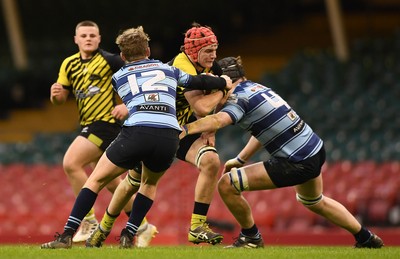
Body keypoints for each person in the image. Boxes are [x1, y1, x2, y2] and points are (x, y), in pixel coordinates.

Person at [40, 25, 232, 249]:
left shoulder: (118, 76)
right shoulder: (167, 69)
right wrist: (223, 83)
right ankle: (129, 233)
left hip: (137, 131)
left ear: (122, 56)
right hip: (170, 135)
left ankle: (66, 236)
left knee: (95, 180)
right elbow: (198, 82)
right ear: (148, 50)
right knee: (148, 184)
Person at [179, 56, 384, 249]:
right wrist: (240, 159)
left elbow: (219, 120)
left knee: (227, 185)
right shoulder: (256, 88)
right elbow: (262, 129)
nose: (212, 90)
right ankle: (366, 237)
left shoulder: (237, 98)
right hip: (314, 148)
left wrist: (185, 129)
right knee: (314, 201)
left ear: (226, 80)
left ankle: (251, 237)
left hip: (297, 161)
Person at [49, 20, 156, 246]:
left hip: (105, 124)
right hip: (88, 124)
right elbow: (60, 100)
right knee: (113, 184)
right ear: (76, 39)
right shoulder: (68, 64)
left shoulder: (111, 60)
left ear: (99, 39)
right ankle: (144, 226)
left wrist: (128, 106)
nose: (88, 38)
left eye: (92, 35)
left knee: (71, 163)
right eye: (84, 35)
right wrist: (55, 95)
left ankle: (88, 221)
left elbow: (139, 80)